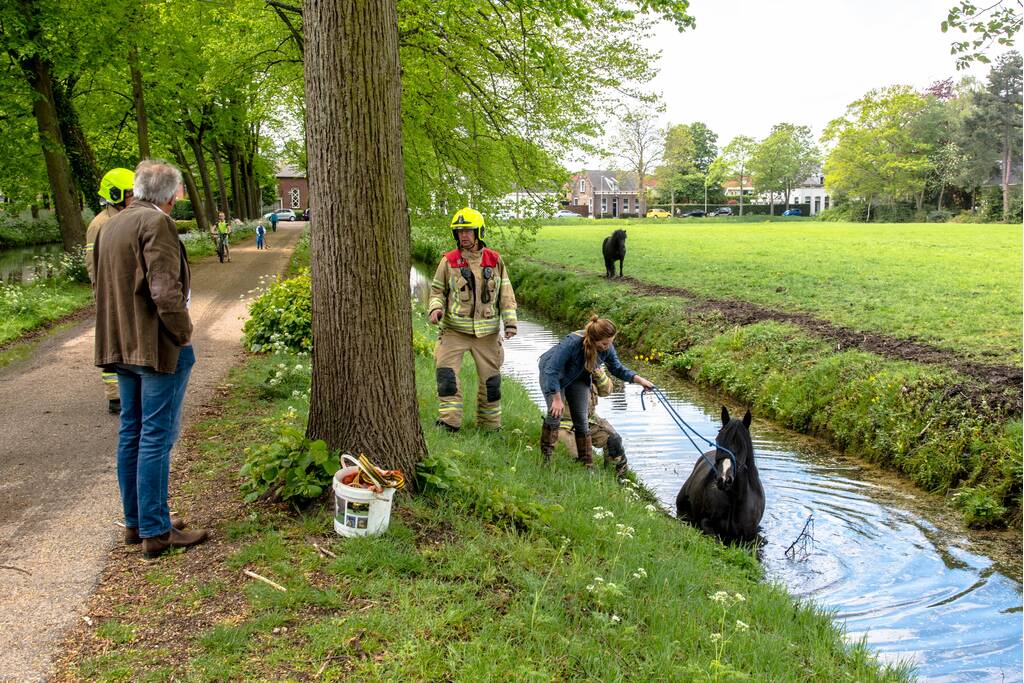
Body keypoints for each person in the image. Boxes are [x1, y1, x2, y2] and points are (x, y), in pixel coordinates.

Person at [94, 159, 208, 559]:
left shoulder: (112, 223)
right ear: (172, 194)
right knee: (156, 435)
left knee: (132, 430)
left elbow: (100, 283)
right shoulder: (157, 224)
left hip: (121, 345)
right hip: (156, 346)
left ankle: (137, 521)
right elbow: (164, 288)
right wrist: (183, 333)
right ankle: (157, 531)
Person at [427, 207, 517, 432]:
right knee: (447, 377)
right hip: (454, 331)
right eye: (459, 231)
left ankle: (490, 427)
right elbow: (437, 291)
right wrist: (435, 310)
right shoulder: (448, 261)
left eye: (467, 230)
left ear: (478, 232)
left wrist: (510, 323)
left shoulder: (495, 260)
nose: (463, 235)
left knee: (491, 383)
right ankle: (449, 423)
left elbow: (506, 293)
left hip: (487, 334)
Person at [538, 316, 654, 468]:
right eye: (605, 343)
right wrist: (557, 398)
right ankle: (546, 460)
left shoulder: (607, 348)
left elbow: (617, 369)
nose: (608, 346)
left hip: (579, 376)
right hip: (554, 375)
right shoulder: (572, 343)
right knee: (555, 413)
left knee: (582, 418)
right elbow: (552, 370)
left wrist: (640, 380)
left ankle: (586, 464)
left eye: (611, 342)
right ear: (593, 339)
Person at [85, 168, 134, 414]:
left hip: (124, 292)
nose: (133, 198)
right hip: (110, 294)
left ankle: (129, 392)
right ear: (114, 194)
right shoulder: (100, 224)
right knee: (112, 343)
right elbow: (94, 263)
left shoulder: (124, 217)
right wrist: (102, 294)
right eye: (128, 194)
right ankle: (115, 398)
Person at [555, 365, 628, 475]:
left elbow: (606, 391)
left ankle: (616, 479)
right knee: (578, 462)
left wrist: (598, 373)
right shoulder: (563, 365)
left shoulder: (592, 366)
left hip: (589, 421)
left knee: (614, 441)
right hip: (566, 426)